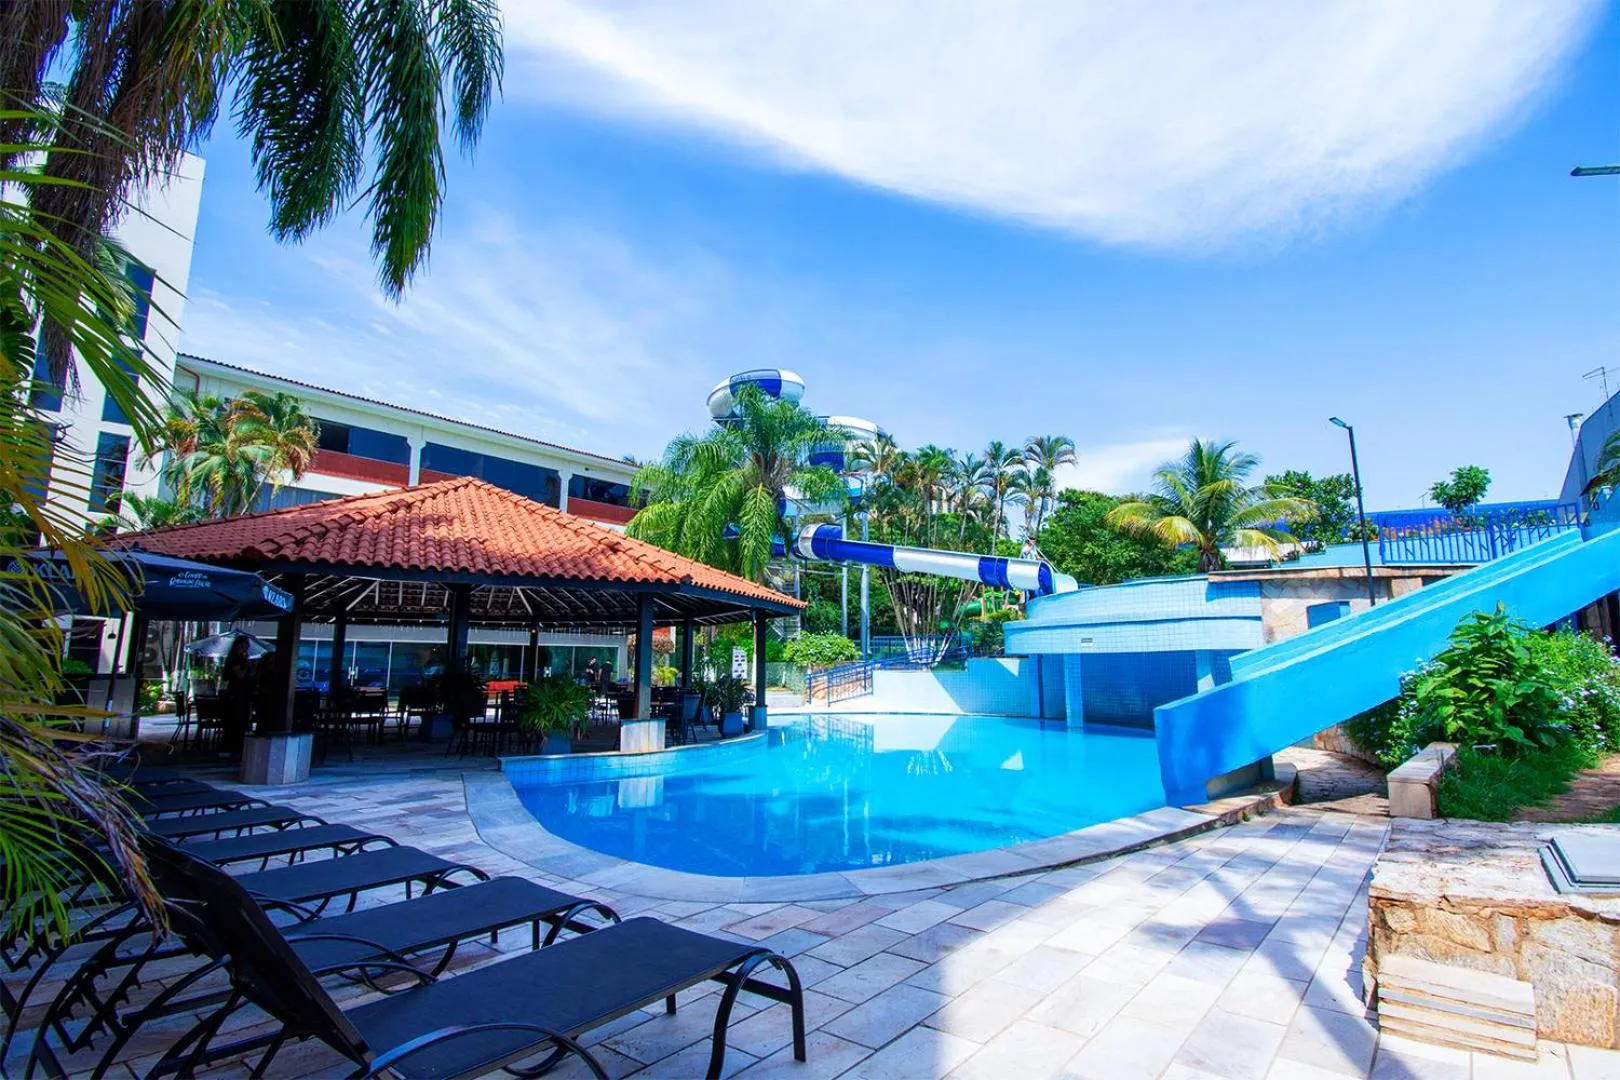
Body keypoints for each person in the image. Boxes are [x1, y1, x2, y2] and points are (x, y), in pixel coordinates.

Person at [219, 636, 254, 756]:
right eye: (246, 644)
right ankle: (234, 746)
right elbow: (240, 675)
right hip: (237, 693)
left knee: (239, 720)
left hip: (240, 692)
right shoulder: (236, 659)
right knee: (237, 720)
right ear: (240, 645)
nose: (248, 647)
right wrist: (246, 664)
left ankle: (235, 746)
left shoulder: (237, 658)